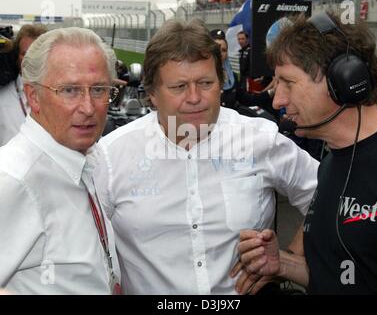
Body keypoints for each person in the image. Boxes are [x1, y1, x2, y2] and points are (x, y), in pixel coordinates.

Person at [93, 18, 319, 294]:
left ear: (221, 82)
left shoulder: (260, 139)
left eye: (205, 82)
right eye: (179, 87)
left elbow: (327, 195)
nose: (194, 97)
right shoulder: (110, 156)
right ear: (151, 93)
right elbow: (82, 246)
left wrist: (289, 261)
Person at [236, 11, 377, 294]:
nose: (279, 99)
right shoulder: (330, 163)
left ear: (342, 80)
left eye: (288, 82)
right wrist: (283, 264)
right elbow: (342, 275)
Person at [0, 27, 121, 294]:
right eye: (70, 90)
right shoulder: (13, 179)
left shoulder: (83, 156)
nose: (88, 107)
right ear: (33, 96)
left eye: (99, 89)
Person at [0, 24, 47, 146]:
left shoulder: (64, 96)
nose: (30, 60)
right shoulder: (2, 97)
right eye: (25, 54)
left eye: (37, 55)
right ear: (16, 57)